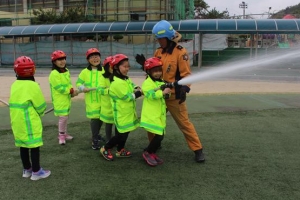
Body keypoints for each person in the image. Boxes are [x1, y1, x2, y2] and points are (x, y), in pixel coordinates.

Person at [136, 20, 205, 163]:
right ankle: (154, 145)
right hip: (158, 96)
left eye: (160, 38)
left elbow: (186, 75)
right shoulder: (158, 52)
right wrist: (145, 65)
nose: (158, 41)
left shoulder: (181, 52)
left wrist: (184, 89)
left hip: (174, 96)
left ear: (167, 37)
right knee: (153, 122)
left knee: (184, 123)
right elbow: (154, 72)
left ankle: (198, 150)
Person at [9, 56, 51, 180]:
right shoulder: (33, 85)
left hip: (17, 122)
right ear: (33, 70)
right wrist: (41, 112)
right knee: (34, 146)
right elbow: (40, 105)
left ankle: (27, 169)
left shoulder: (15, 84)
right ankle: (37, 172)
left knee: (23, 145)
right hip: (30, 122)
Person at [100, 54, 142, 161]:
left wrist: (136, 87)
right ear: (116, 68)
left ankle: (120, 149)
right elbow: (126, 97)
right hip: (121, 113)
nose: (127, 69)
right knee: (120, 135)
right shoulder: (116, 83)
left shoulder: (125, 79)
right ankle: (105, 148)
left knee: (125, 133)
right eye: (124, 66)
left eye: (128, 66)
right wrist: (138, 94)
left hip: (127, 112)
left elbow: (131, 85)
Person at [140, 57, 171, 166]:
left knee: (160, 135)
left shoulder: (160, 81)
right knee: (159, 135)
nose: (158, 73)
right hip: (151, 115)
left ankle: (152, 152)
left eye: (159, 70)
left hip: (159, 114)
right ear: (148, 72)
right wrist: (162, 93)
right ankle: (148, 152)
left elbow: (165, 94)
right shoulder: (147, 83)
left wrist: (167, 93)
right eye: (155, 71)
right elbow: (149, 94)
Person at [76, 48, 105, 150]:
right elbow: (78, 83)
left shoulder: (104, 70)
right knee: (95, 119)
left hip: (103, 99)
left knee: (102, 118)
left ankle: (97, 135)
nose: (95, 58)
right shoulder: (84, 72)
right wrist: (83, 88)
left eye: (96, 56)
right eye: (92, 57)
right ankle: (94, 139)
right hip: (92, 100)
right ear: (88, 60)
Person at [49, 50, 78, 145]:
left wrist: (71, 91)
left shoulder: (66, 71)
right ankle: (61, 136)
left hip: (66, 98)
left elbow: (68, 83)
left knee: (66, 116)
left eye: (63, 59)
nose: (62, 61)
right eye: (59, 60)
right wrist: (70, 91)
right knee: (63, 118)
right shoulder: (54, 73)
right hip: (59, 99)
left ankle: (64, 134)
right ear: (54, 62)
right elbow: (58, 87)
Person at [98, 56, 114, 141]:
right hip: (107, 105)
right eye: (110, 66)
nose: (112, 68)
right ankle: (109, 140)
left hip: (117, 105)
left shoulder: (119, 76)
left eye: (114, 66)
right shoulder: (103, 77)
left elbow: (129, 84)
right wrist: (110, 90)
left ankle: (116, 140)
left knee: (118, 124)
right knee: (109, 124)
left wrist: (136, 87)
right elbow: (100, 90)